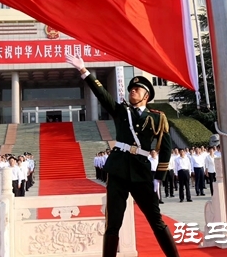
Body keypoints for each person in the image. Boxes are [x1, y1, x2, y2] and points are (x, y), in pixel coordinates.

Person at [66, 54, 179, 257]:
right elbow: (102, 94)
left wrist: (158, 178)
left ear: (146, 95)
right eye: (131, 89)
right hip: (117, 170)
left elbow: (166, 149)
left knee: (156, 220)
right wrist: (84, 71)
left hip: (141, 172)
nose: (132, 91)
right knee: (113, 223)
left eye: (137, 89)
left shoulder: (157, 117)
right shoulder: (121, 111)